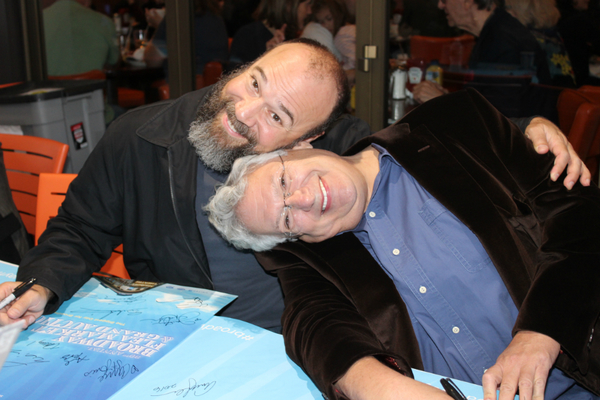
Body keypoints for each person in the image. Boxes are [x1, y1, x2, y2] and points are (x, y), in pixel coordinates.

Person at [0, 39, 587, 335]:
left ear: (309, 139)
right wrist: (44, 283)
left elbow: (421, 143)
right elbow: (80, 228)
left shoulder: (332, 156)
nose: (245, 112)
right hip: (200, 338)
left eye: (278, 118)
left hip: (313, 337)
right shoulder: (139, 138)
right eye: (253, 82)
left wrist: (521, 133)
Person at [205, 88, 600, 400]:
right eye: (287, 218)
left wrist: (540, 333)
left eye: (284, 181)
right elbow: (313, 326)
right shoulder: (311, 253)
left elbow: (578, 217)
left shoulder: (454, 123)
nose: (304, 199)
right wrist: (384, 388)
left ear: (298, 147)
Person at [413, 0, 551, 105]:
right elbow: (486, 100)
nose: (440, 5)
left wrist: (442, 101)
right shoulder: (495, 31)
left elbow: (499, 118)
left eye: (444, 0)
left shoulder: (504, 42)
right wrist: (448, 96)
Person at [505, 0, 576, 87]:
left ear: (522, 11)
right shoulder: (551, 35)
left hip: (546, 93)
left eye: (508, 8)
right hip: (562, 92)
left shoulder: (527, 40)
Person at [43, 0, 120, 76]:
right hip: (92, 87)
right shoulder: (105, 22)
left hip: (46, 87)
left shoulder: (38, 20)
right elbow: (114, 61)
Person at [228, 0, 312, 69]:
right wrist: (266, 60)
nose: (309, 11)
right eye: (307, 4)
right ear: (288, 5)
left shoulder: (290, 38)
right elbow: (232, 80)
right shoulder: (247, 36)